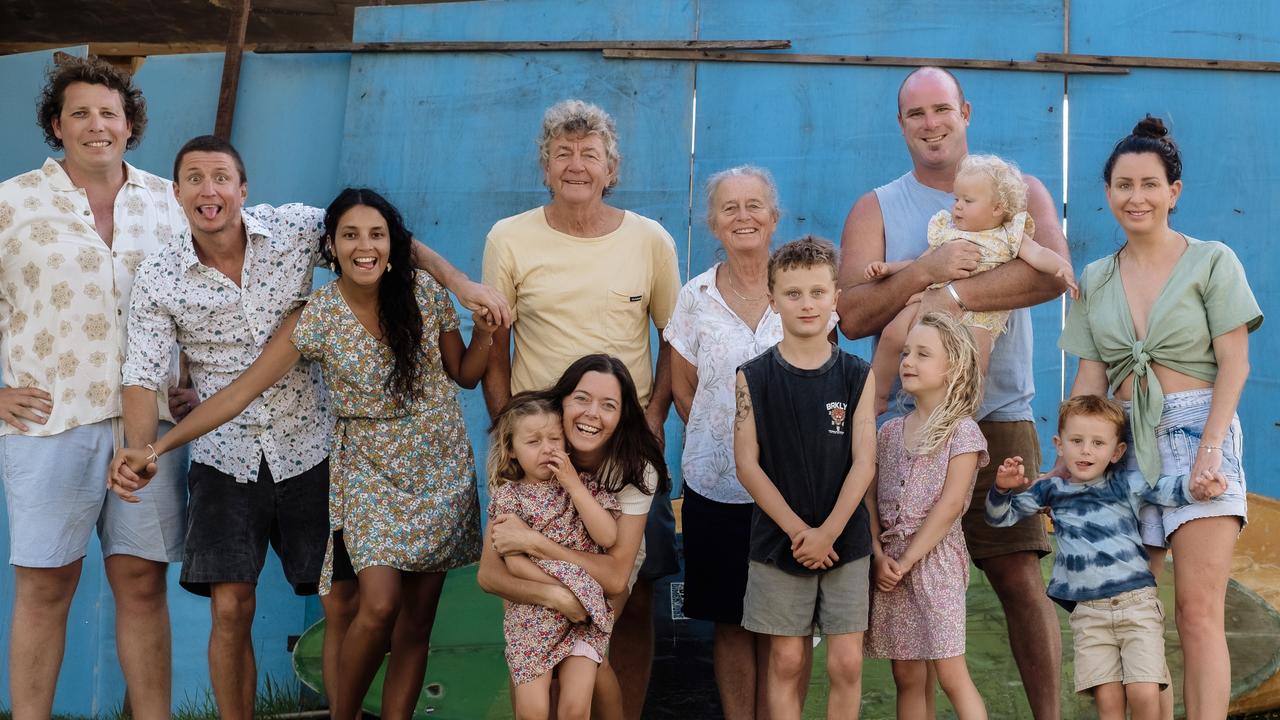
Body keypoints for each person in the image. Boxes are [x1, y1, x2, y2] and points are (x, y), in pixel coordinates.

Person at [115, 136, 507, 720]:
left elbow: (458, 362)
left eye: (221, 177)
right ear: (176, 193)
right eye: (193, 179)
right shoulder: (198, 284)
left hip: (371, 457)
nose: (209, 190)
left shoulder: (358, 261)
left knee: (379, 612)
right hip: (285, 462)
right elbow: (198, 382)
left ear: (243, 189)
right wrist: (150, 446)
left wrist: (474, 304)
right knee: (281, 607)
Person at [836, 66, 1070, 718]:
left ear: (965, 111)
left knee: (1020, 573)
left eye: (942, 109)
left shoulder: (1019, 192)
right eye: (917, 114)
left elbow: (1052, 275)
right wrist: (926, 274)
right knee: (904, 581)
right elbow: (852, 313)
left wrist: (955, 293)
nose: (932, 123)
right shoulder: (877, 207)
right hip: (900, 428)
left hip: (996, 414)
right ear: (901, 125)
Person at [0, 54, 192, 719]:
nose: (96, 125)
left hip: (150, 427)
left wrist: (189, 377)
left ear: (130, 125)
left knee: (142, 583)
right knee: (46, 586)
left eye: (109, 113)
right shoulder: (13, 201)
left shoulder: (170, 201)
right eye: (79, 113)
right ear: (56, 125)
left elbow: (195, 302)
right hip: (50, 421)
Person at [480, 99, 681, 719]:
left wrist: (647, 429)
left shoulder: (651, 240)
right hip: (542, 451)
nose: (575, 165)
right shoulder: (509, 238)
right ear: (545, 167)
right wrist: (511, 442)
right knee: (537, 589)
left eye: (588, 154)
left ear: (610, 168)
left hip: (623, 447)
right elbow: (494, 348)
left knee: (635, 593)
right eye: (562, 153)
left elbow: (674, 343)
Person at [1056, 117, 1262, 719]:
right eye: (1123, 185)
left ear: (1174, 190)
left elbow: (1235, 364)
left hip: (1201, 430)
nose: (1136, 197)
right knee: (1130, 614)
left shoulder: (1212, 261)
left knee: (1196, 612)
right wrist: (1067, 464)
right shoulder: (1096, 278)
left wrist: (1210, 450)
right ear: (1108, 192)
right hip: (1124, 443)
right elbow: (1091, 384)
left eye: (1150, 184)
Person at [665, 165, 820, 717]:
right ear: (713, 223)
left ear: (774, 217)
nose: (743, 217)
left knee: (789, 627)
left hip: (797, 491)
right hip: (716, 487)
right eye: (730, 208)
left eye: (754, 205)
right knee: (730, 621)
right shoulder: (695, 297)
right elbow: (684, 388)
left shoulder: (804, 291)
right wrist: (726, 441)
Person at [988, 396, 1226, 720]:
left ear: (1116, 452)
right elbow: (1000, 518)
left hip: (1136, 605)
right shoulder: (1051, 491)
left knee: (1143, 692)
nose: (1086, 450)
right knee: (1108, 702)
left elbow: (1167, 488)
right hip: (1089, 615)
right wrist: (1002, 489)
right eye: (1077, 441)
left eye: (1098, 443)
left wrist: (1200, 488)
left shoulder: (1124, 484)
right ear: (1059, 445)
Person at [477, 355, 668, 720]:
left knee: (589, 665)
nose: (592, 414)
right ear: (561, 402)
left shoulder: (632, 467)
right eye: (581, 399)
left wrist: (536, 543)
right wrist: (556, 595)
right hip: (539, 575)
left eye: (608, 405)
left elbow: (613, 576)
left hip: (602, 565)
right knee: (534, 672)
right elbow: (490, 575)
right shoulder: (528, 459)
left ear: (622, 414)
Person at [734, 236, 876, 720]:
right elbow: (747, 466)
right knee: (788, 658)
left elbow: (865, 462)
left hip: (845, 540)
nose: (807, 304)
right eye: (793, 294)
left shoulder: (858, 373)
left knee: (846, 662)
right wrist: (800, 533)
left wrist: (829, 533)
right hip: (780, 540)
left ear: (836, 295)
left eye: (818, 292)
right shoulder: (752, 376)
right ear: (772, 300)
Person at [864, 154, 1076, 415]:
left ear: (997, 208)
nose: (958, 207)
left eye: (968, 201)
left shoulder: (1010, 235)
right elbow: (921, 263)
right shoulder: (948, 230)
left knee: (975, 364)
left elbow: (1039, 255)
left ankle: (959, 418)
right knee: (893, 333)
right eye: (956, 199)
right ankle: (876, 397)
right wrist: (889, 269)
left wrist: (1061, 267)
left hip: (980, 317)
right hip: (930, 301)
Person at [865, 312, 989, 720]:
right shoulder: (887, 432)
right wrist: (880, 556)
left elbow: (951, 505)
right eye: (905, 353)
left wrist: (908, 559)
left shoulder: (963, 432)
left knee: (950, 672)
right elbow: (869, 499)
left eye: (922, 354)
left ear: (951, 367)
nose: (907, 362)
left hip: (935, 564)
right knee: (907, 675)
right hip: (892, 565)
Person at [486, 393, 621, 720]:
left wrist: (574, 485)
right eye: (533, 441)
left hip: (583, 619)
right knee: (532, 712)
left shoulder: (585, 485)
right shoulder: (509, 498)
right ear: (512, 451)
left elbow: (607, 535)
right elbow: (514, 563)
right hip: (531, 619)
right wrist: (565, 591)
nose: (546, 448)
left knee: (575, 709)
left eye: (554, 439)